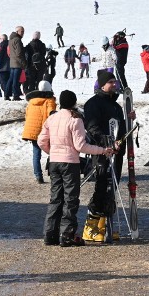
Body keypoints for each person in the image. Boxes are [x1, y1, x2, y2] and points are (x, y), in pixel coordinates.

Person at [38, 90, 113, 247]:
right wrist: (102, 150)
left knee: (55, 198)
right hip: (70, 163)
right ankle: (67, 234)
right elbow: (80, 146)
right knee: (70, 199)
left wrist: (52, 152)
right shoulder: (75, 120)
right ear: (73, 102)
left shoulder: (52, 118)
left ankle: (50, 234)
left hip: (53, 162)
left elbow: (41, 141)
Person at [81, 70, 131, 242]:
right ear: (102, 85)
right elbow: (92, 128)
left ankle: (103, 226)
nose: (114, 84)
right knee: (102, 188)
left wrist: (126, 125)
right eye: (111, 82)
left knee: (111, 190)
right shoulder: (93, 104)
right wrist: (107, 143)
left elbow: (121, 129)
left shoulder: (116, 106)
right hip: (101, 153)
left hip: (116, 153)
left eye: (115, 81)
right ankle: (91, 227)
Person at [23, 81, 57, 184]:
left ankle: (38, 175)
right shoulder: (49, 101)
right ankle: (55, 173)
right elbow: (52, 116)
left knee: (36, 154)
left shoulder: (31, 101)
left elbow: (27, 116)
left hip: (33, 132)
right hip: (45, 131)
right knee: (54, 152)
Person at [6, 26, 27, 101]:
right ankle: (16, 96)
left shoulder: (11, 40)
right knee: (15, 80)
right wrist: (24, 63)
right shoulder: (17, 40)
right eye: (21, 31)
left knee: (11, 79)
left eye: (23, 32)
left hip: (12, 62)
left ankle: (6, 95)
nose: (23, 33)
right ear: (17, 31)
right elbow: (19, 53)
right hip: (18, 63)